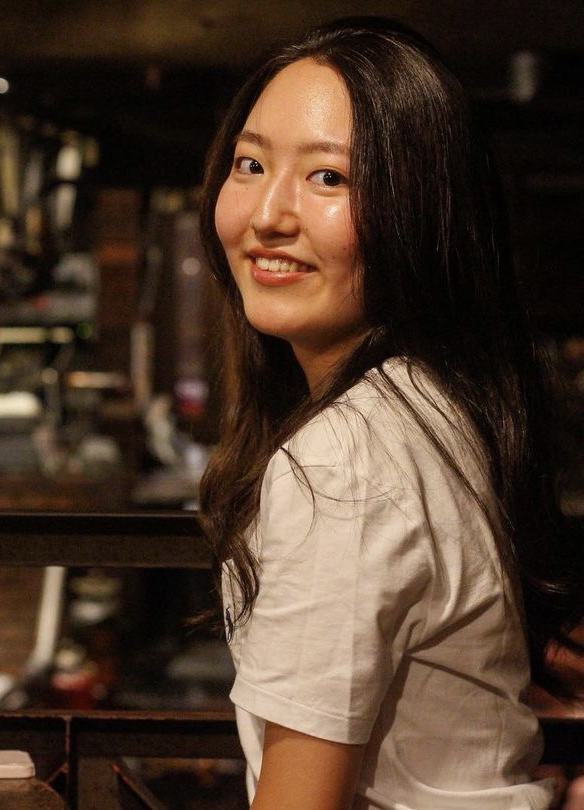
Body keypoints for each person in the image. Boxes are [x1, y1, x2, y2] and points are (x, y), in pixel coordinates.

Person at [197, 16, 584, 810]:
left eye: (328, 178)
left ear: (422, 212)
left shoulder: (342, 462)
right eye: (250, 163)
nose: (268, 214)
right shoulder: (433, 401)